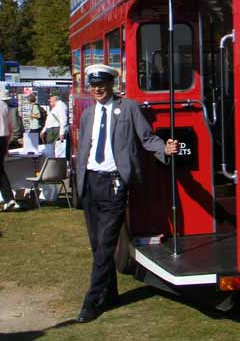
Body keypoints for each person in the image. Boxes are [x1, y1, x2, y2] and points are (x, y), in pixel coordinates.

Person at [76, 63, 179, 324]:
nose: (97, 89)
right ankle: (110, 293)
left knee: (106, 244)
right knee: (98, 245)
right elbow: (86, 148)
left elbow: (146, 138)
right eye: (93, 85)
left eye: (102, 84)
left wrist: (164, 150)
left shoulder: (128, 108)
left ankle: (92, 301)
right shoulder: (88, 114)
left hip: (114, 184)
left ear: (111, 84)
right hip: (90, 183)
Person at [0, 87, 20, 212]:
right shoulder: (3, 105)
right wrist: (6, 146)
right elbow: (9, 127)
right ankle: (9, 199)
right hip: (2, 139)